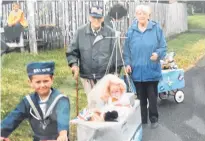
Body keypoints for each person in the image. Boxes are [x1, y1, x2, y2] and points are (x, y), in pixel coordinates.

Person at [0, 61, 70, 141]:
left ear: (52, 79)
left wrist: (63, 134)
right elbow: (13, 118)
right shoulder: (28, 101)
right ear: (30, 83)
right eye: (38, 82)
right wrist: (2, 133)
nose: (42, 85)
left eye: (46, 81)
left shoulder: (61, 99)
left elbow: (63, 118)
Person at [123, 5, 167, 129]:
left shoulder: (156, 28)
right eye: (138, 13)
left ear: (149, 15)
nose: (141, 15)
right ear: (135, 15)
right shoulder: (131, 31)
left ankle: (154, 119)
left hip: (151, 70)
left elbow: (163, 47)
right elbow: (126, 51)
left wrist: (157, 54)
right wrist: (127, 64)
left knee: (152, 97)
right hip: (137, 72)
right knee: (140, 98)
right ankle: (142, 121)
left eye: (144, 13)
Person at [66, 6, 122, 96]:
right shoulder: (80, 32)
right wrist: (74, 65)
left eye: (99, 18)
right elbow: (72, 51)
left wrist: (116, 73)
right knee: (92, 102)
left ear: (103, 18)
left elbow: (117, 55)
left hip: (105, 76)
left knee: (105, 102)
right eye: (94, 17)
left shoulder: (110, 33)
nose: (96, 20)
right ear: (89, 17)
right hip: (87, 76)